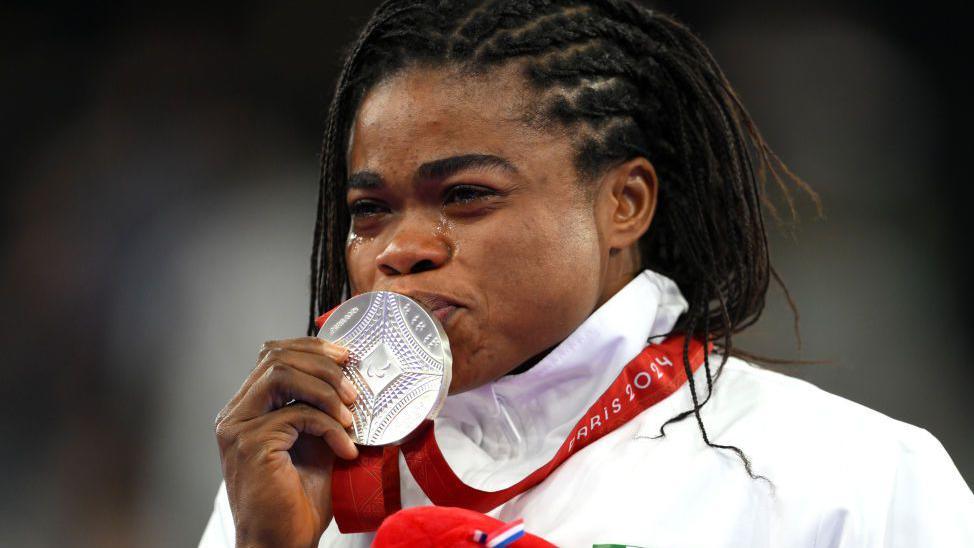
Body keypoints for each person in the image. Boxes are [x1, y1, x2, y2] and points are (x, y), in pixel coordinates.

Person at [199, 1, 974, 546]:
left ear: (624, 204)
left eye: (465, 196)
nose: (399, 248)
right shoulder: (295, 489)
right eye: (369, 212)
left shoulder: (847, 481)